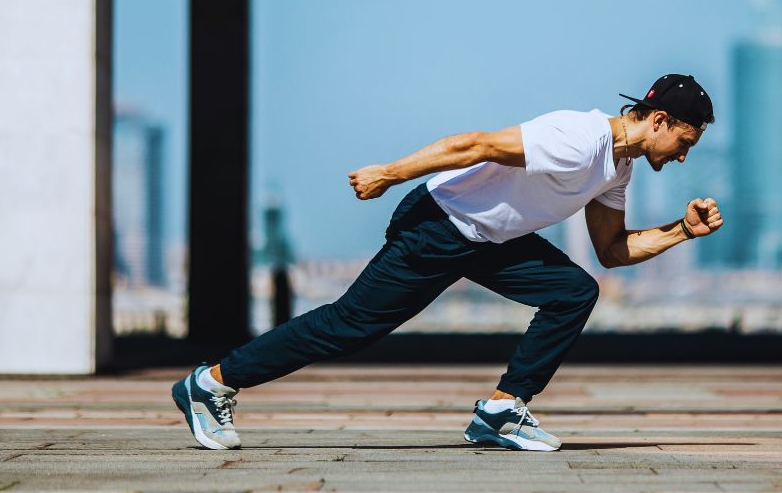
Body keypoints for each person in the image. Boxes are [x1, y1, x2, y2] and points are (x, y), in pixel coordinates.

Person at [172, 73, 723, 451]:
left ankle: (503, 411)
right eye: (685, 140)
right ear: (657, 118)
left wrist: (680, 231)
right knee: (350, 326)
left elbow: (612, 251)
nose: (683, 154)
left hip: (491, 241)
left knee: (573, 290)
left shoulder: (616, 169)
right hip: (439, 225)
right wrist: (390, 172)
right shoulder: (580, 139)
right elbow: (474, 144)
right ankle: (212, 383)